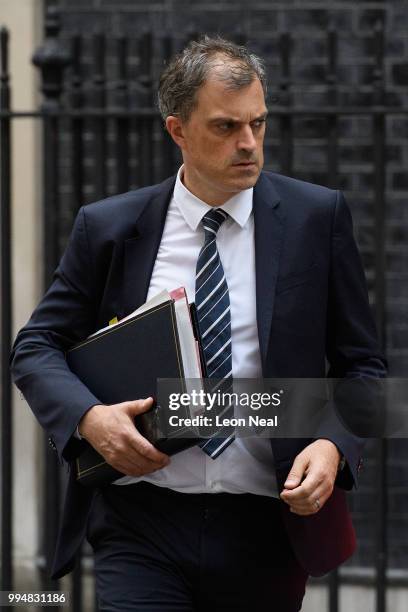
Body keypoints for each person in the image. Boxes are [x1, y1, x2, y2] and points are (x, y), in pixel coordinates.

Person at [11, 35, 386, 611]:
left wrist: (334, 446)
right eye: (225, 127)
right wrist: (89, 419)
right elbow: (36, 346)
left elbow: (365, 367)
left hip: (268, 524)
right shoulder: (110, 227)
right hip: (141, 524)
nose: (248, 144)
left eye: (258, 124)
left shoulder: (317, 219)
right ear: (177, 130)